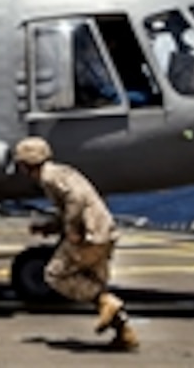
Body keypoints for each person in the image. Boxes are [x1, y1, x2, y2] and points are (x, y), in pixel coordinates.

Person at [13, 137, 139, 351]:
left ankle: (107, 303)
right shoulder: (61, 172)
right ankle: (124, 333)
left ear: (26, 165)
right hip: (104, 233)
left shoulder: (48, 177)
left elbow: (76, 198)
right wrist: (50, 227)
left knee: (55, 275)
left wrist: (71, 230)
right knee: (93, 283)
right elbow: (73, 203)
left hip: (89, 236)